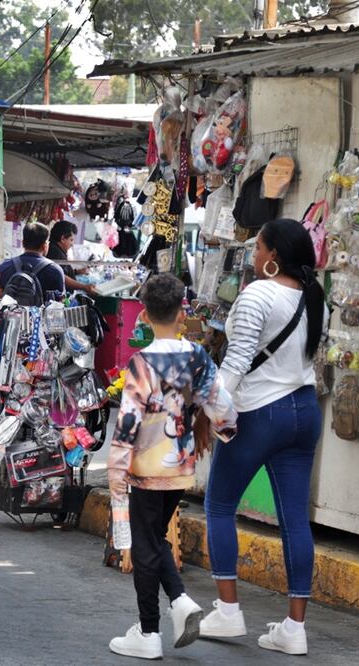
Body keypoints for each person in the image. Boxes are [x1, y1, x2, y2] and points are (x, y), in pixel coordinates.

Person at [200, 218, 329, 656]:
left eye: (257, 249)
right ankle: (295, 628)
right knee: (295, 518)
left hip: (259, 412)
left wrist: (212, 408)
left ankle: (228, 610)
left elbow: (236, 362)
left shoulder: (258, 293)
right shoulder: (314, 296)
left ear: (272, 256)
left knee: (219, 505)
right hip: (304, 410)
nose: (253, 256)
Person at [107, 273, 236, 661]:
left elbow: (127, 424)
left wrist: (116, 474)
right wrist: (225, 432)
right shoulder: (197, 356)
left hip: (146, 468)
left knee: (146, 546)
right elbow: (223, 407)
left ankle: (148, 632)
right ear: (183, 312)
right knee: (154, 537)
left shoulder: (141, 362)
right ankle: (179, 602)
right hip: (181, 466)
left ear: (143, 315)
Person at [0, 222, 65, 301]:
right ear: (45, 246)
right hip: (42, 313)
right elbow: (60, 303)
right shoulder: (55, 270)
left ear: (23, 243)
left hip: (10, 313)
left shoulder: (4, 267)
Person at [46, 220, 97, 296]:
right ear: (63, 239)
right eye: (71, 240)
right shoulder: (55, 252)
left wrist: (77, 272)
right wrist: (84, 287)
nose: (72, 244)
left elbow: (62, 271)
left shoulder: (57, 250)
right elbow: (61, 277)